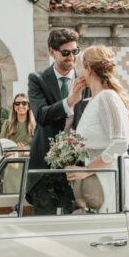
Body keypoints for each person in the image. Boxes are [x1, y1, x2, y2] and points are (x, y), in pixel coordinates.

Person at [68, 45, 129, 211]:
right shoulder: (92, 101)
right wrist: (73, 99)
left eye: (81, 67)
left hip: (112, 178)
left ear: (89, 69)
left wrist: (87, 170)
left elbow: (120, 142)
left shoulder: (108, 97)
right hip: (97, 182)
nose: (79, 72)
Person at [28, 28, 88, 168]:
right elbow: (42, 116)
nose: (71, 57)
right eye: (65, 52)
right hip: (46, 159)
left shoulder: (85, 79)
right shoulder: (37, 79)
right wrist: (70, 101)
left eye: (75, 51)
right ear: (51, 52)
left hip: (79, 160)